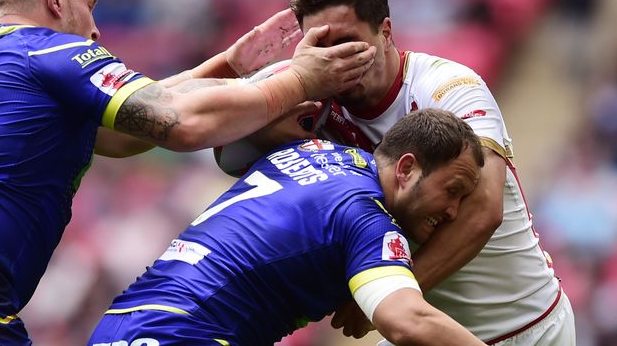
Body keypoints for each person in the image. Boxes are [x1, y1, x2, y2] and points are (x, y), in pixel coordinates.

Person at [0, 0, 376, 345]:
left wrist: (227, 67)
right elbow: (182, 124)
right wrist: (304, 80)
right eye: (90, 5)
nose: (95, 30)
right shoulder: (51, 51)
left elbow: (122, 135)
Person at [224, 0, 575, 345]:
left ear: (386, 31)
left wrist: (391, 299)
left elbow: (484, 208)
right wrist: (268, 124)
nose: (334, 59)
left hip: (521, 327)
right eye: (319, 47)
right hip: (422, 328)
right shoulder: (311, 97)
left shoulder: (447, 87)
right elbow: (225, 149)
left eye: (347, 43)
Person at [89, 109, 487, 346]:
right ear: (406, 168)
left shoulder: (315, 151)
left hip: (124, 321)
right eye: (451, 191)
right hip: (187, 335)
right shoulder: (366, 218)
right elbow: (408, 321)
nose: (453, 210)